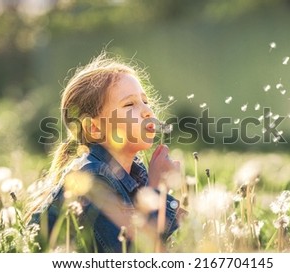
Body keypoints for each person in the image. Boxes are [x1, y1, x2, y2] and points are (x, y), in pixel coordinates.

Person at [25, 52, 184, 253]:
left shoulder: (134, 173)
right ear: (94, 128)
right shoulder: (93, 178)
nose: (148, 111)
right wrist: (158, 190)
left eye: (145, 101)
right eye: (129, 104)